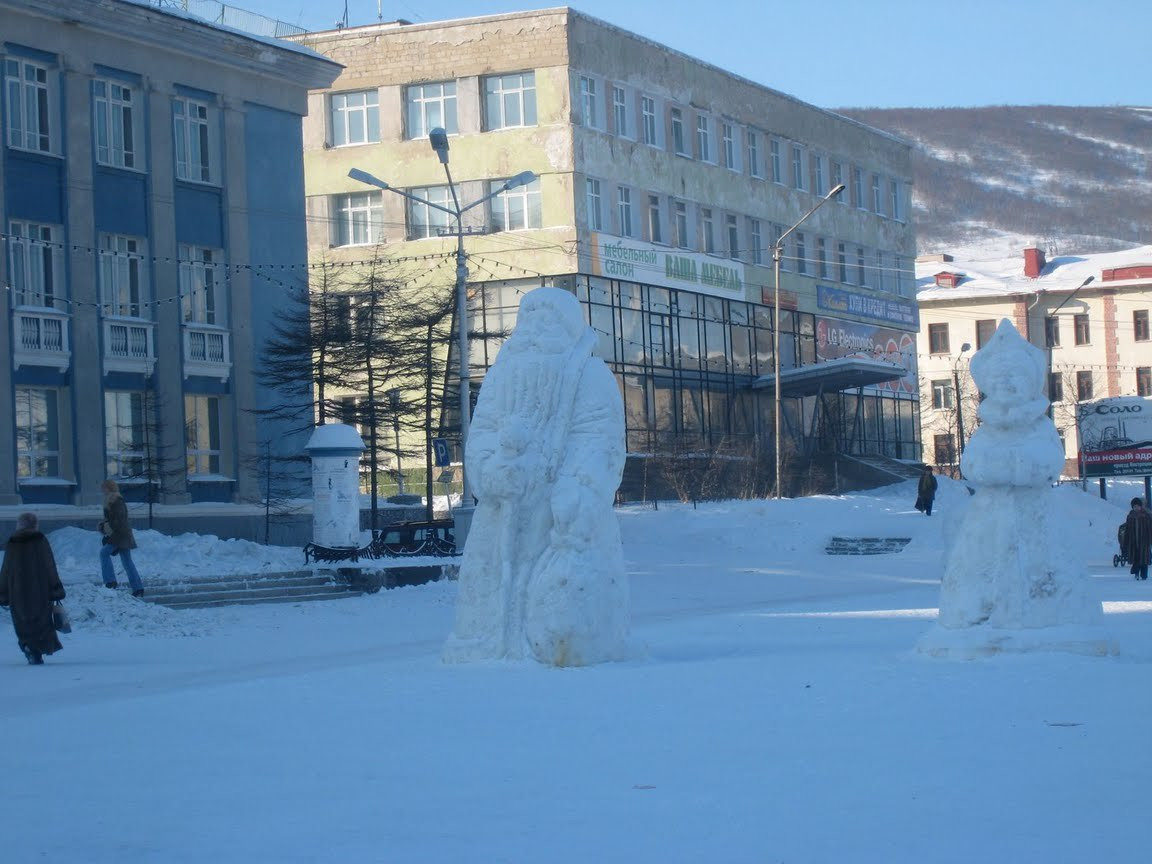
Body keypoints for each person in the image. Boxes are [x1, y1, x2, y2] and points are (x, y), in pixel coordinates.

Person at [443, 287, 630, 666]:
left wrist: (578, 490)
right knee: (489, 586)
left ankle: (562, 646)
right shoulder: (500, 377)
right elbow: (482, 434)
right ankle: (485, 642)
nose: (536, 329)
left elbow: (598, 438)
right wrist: (491, 470)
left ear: (569, 328)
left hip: (558, 515)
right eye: (529, 320)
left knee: (557, 595)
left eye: (548, 321)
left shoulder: (590, 375)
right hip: (500, 515)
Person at [0, 512, 66, 664]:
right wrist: (56, 588)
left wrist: (3, 592)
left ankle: (28, 646)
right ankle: (37, 650)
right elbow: (49, 565)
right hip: (39, 588)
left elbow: (6, 568)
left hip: (17, 590)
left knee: (22, 621)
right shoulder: (40, 540)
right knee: (41, 620)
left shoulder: (12, 541)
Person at [99, 478, 145, 597]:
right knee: (127, 561)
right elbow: (113, 519)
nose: (102, 490)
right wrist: (104, 526)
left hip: (120, 534)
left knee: (104, 553)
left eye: (103, 487)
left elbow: (119, 520)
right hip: (122, 534)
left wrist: (107, 528)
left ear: (108, 488)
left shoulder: (115, 500)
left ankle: (110, 582)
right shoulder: (112, 500)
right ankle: (138, 588)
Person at [1122, 497, 1152, 581]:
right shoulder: (1130, 516)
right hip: (1133, 540)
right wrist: (1126, 541)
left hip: (1144, 541)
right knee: (1136, 557)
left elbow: (1150, 528)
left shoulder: (1146, 516)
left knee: (1144, 559)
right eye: (1134, 506)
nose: (1136, 508)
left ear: (1141, 506)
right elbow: (1127, 529)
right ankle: (1136, 573)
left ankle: (1144, 575)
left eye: (1138, 506)